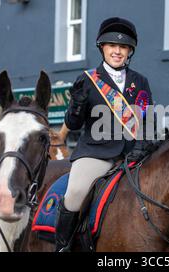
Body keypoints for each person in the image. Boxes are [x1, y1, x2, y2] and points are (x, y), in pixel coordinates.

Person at [55, 17, 153, 251]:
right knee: (75, 193)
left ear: (130, 51)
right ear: (102, 48)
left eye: (123, 47)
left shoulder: (140, 82)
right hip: (96, 153)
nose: (117, 51)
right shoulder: (88, 80)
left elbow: (147, 120)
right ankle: (63, 246)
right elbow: (73, 124)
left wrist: (142, 145)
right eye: (112, 46)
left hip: (133, 155)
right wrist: (77, 105)